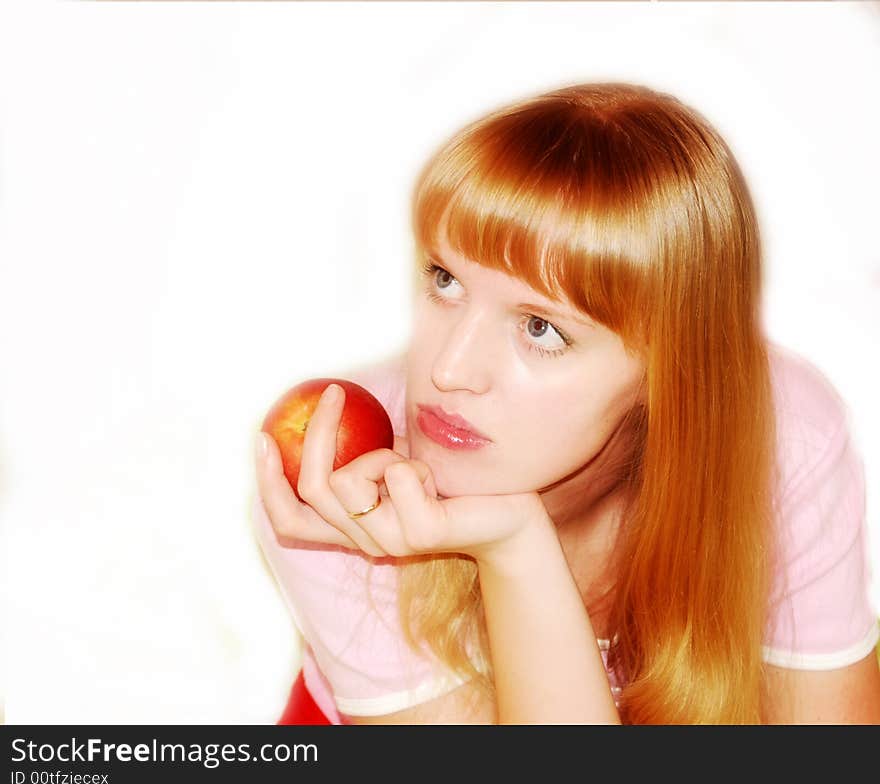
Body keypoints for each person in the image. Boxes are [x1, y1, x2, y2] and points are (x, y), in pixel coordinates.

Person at [252, 82, 880, 724]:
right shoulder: (341, 487)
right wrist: (513, 544)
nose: (449, 370)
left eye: (540, 328)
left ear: (670, 369)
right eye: (446, 281)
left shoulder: (783, 435)